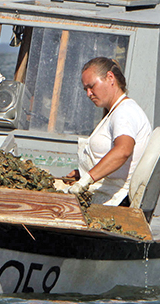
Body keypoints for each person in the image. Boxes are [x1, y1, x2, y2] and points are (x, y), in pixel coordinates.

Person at [61, 57, 152, 206]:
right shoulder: (117, 110)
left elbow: (123, 150)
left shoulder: (124, 112)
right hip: (107, 191)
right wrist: (83, 173)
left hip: (118, 200)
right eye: (85, 89)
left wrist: (88, 179)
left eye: (92, 87)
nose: (88, 94)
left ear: (110, 77)